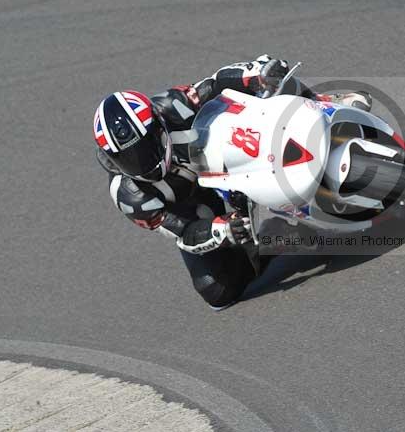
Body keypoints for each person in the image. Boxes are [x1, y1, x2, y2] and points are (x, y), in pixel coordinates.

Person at [93, 55, 371, 310]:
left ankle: (327, 103)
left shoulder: (170, 105)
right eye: (128, 158)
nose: (141, 163)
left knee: (266, 88)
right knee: (215, 292)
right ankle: (271, 238)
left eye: (143, 149)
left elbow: (213, 84)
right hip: (199, 207)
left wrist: (255, 72)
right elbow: (182, 231)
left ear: (156, 124)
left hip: (220, 153)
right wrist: (220, 230)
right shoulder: (129, 196)